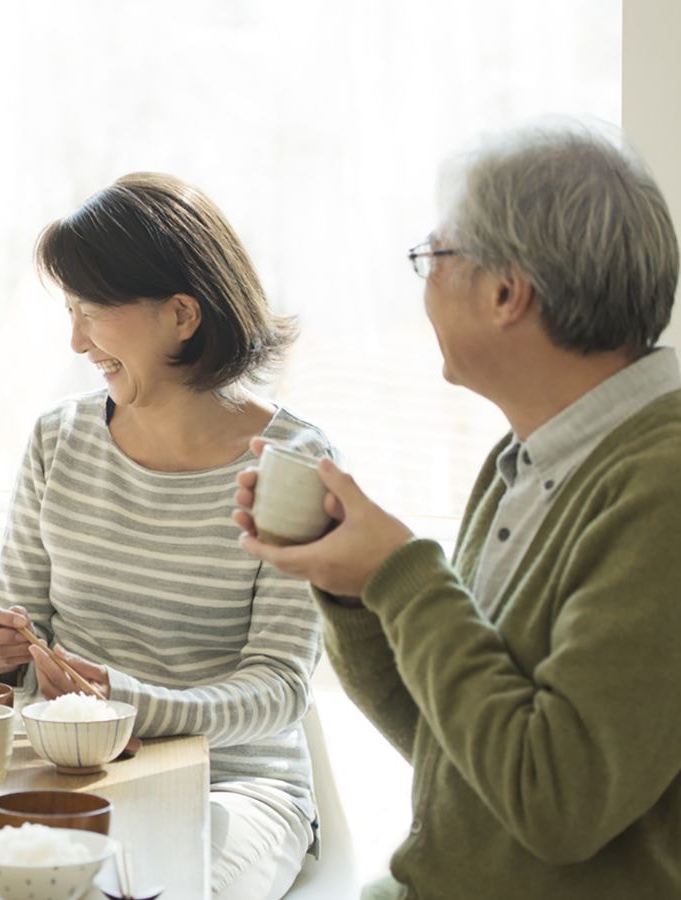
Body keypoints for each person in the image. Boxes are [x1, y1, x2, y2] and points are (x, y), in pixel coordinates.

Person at [237, 122, 681, 899]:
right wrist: (356, 588)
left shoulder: (663, 486)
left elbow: (557, 803)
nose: (423, 285)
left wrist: (402, 573)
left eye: (433, 258)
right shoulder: (527, 459)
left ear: (508, 292)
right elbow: (462, 758)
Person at [0, 173, 331, 900]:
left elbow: (282, 687)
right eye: (70, 313)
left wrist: (129, 701)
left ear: (183, 315)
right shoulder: (58, 440)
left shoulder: (294, 464)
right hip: (71, 769)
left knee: (155, 890)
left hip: (234, 786)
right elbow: (23, 636)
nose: (76, 341)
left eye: (93, 312)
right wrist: (3, 657)